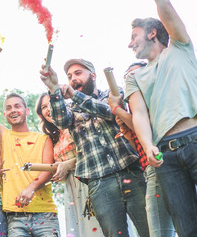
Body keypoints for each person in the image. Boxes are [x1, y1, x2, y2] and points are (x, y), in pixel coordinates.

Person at [40, 58, 149, 237]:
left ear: (93, 75)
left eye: (78, 73)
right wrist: (53, 89)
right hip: (99, 182)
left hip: (131, 171)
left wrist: (75, 95)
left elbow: (109, 112)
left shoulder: (112, 93)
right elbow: (60, 121)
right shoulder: (71, 108)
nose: (73, 79)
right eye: (69, 76)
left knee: (150, 230)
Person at [125, 0, 197, 235]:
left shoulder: (180, 48)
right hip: (166, 156)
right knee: (186, 228)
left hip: (195, 138)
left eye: (134, 36)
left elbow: (167, 11)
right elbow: (139, 114)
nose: (130, 43)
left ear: (153, 33)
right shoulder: (134, 78)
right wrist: (147, 146)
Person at [0, 61, 60, 237]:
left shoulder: (43, 139)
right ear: (4, 115)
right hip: (15, 217)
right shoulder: (3, 136)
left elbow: (49, 170)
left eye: (17, 106)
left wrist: (31, 188)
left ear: (27, 111)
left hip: (44, 212)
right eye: (8, 108)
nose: (13, 110)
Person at [109, 62, 176, 237]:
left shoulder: (152, 97)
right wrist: (129, 134)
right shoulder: (133, 105)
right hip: (149, 168)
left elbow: (148, 128)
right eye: (128, 77)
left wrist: (117, 110)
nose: (132, 80)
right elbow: (140, 143)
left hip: (163, 163)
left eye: (136, 74)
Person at [36, 93, 103, 237]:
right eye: (44, 107)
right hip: (71, 189)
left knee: (99, 228)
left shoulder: (76, 124)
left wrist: (69, 164)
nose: (49, 109)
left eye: (51, 103)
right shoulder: (53, 138)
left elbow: (93, 151)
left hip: (91, 180)